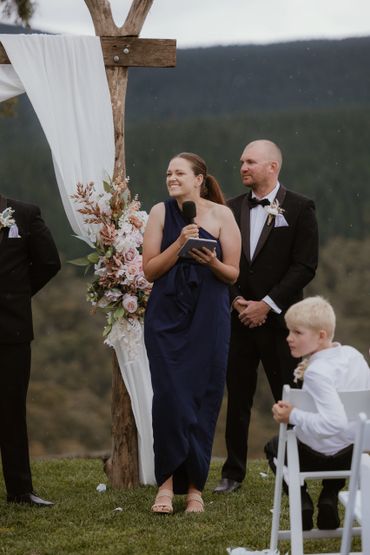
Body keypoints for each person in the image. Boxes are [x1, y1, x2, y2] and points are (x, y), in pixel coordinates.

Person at [214, 139, 319, 494]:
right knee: (238, 396)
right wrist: (237, 300)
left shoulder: (301, 208)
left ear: (272, 167)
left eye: (251, 162)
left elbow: (305, 266)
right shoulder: (228, 210)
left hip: (283, 325)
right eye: (242, 161)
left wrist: (267, 304)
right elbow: (223, 263)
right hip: (239, 320)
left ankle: (295, 473)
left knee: (289, 398)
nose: (243, 167)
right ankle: (232, 473)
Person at [143, 152, 241, 514]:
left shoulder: (222, 214)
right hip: (166, 316)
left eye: (179, 173)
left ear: (199, 178)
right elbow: (150, 270)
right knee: (169, 399)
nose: (172, 178)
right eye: (168, 173)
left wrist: (212, 262)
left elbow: (233, 274)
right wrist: (179, 243)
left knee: (202, 398)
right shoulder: (159, 213)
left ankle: (196, 489)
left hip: (208, 315)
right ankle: (165, 486)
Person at [265, 296, 370, 530]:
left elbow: (334, 423)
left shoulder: (317, 372)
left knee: (274, 447)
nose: (289, 338)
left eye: (297, 333)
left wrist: (291, 415)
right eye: (289, 331)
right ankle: (329, 495)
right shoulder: (354, 356)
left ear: (321, 335)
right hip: (355, 454)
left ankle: (301, 500)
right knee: (342, 437)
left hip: (318, 457)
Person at [0, 193, 61, 506]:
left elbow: (50, 261)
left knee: (11, 409)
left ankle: (21, 491)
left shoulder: (23, 214)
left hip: (11, 329)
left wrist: (17, 295)